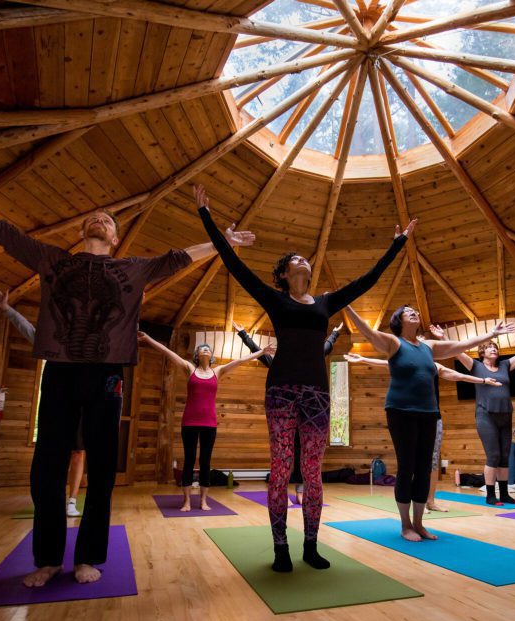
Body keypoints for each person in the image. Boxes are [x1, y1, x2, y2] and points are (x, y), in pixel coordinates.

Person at [0, 165, 249, 587]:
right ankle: (48, 558)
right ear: (82, 231)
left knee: (102, 469)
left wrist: (223, 241)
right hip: (60, 372)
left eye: (108, 220)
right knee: (46, 469)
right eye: (94, 217)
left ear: (116, 238)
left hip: (107, 376)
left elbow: (179, 257)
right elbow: (1, 230)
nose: (100, 219)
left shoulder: (132, 269)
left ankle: (88, 556)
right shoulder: (53, 261)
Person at [195, 183, 408, 572]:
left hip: (317, 396)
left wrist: (397, 245)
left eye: (305, 258)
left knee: (312, 471)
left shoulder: (325, 303)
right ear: (284, 274)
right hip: (280, 392)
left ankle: (310, 545)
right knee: (280, 468)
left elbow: (368, 280)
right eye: (296, 259)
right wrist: (206, 216)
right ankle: (280, 548)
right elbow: (233, 264)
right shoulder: (275, 299)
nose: (303, 261)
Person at [346, 304, 513, 541]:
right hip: (400, 412)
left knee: (424, 468)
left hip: (428, 413)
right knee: (407, 467)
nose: (415, 312)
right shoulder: (394, 343)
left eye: (416, 310)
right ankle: (405, 525)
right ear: (399, 320)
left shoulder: (429, 347)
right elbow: (368, 332)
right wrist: (347, 306)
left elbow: (459, 345)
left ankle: (419, 523)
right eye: (408, 311)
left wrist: (491, 334)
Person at [138, 332, 270, 511]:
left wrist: (261, 352)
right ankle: (186, 501)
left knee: (205, 462)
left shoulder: (218, 371)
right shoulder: (189, 369)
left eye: (208, 348)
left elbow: (240, 360)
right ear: (197, 354)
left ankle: (203, 501)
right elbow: (168, 352)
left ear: (211, 355)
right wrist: (148, 339)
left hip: (209, 423)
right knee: (189, 460)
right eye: (202, 348)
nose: (205, 349)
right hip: (189, 422)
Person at [0, 285, 86, 518]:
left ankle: (71, 501)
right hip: (56, 406)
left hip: (80, 406)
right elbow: (29, 330)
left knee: (78, 453)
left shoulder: (88, 346)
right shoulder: (53, 344)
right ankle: (50, 498)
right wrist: (6, 308)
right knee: (53, 453)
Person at [233, 320, 344, 505]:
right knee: (283, 454)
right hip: (286, 415)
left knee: (302, 453)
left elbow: (326, 346)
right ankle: (283, 492)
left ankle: (300, 491)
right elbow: (259, 353)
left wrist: (334, 333)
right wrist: (243, 334)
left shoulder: (312, 360)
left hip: (306, 414)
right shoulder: (279, 364)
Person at [454, 327, 515, 506]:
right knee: (493, 455)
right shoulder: (475, 366)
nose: (494, 349)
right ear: (482, 352)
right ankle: (491, 495)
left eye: (495, 347)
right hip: (486, 416)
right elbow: (458, 351)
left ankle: (505, 494)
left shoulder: (505, 366)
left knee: (505, 457)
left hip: (506, 416)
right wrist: (442, 337)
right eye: (489, 347)